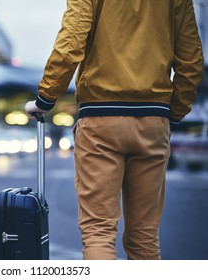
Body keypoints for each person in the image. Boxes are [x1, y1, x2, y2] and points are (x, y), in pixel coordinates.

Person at [25, 0, 204, 260]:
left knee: (98, 231)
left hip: (100, 119)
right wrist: (173, 113)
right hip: (153, 122)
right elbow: (192, 62)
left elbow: (71, 41)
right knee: (144, 236)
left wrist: (45, 99)